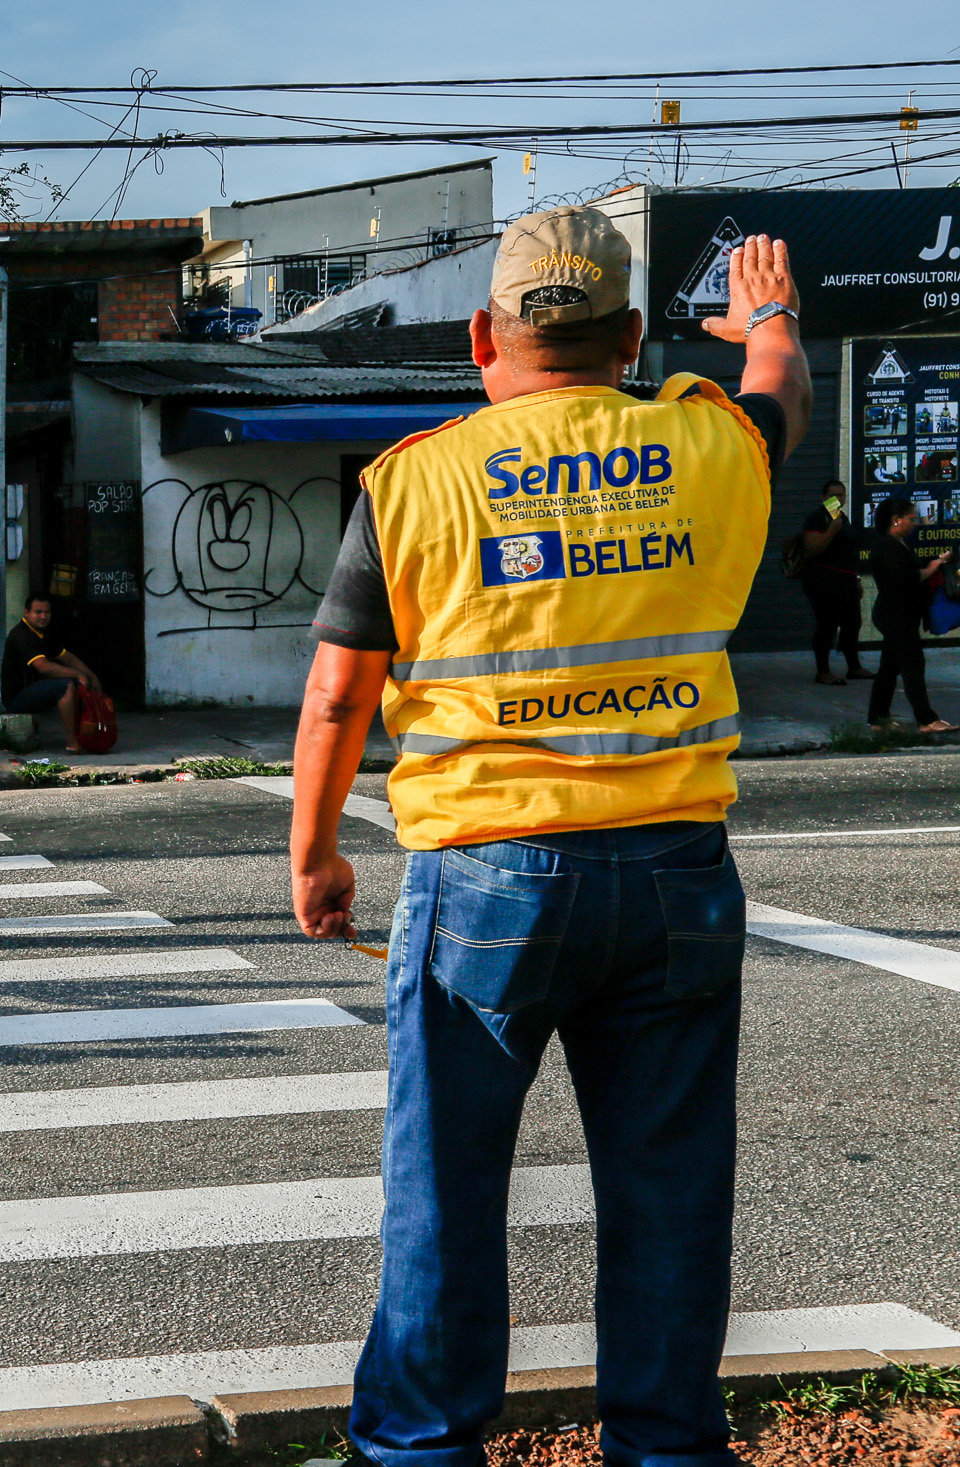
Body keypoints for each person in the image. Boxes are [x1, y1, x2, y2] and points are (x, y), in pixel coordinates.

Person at [292, 213, 813, 1467]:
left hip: (484, 879)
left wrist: (314, 853)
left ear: (485, 335)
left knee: (444, 1191)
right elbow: (776, 385)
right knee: (668, 1192)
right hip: (677, 876)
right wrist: (766, 313)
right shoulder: (706, 442)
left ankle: (420, 1448)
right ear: (632, 338)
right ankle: (666, 1448)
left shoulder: (416, 477)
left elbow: (335, 696)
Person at [864, 495, 956, 733]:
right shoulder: (887, 546)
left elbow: (910, 571)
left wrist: (934, 563)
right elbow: (905, 579)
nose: (915, 523)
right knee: (913, 665)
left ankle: (878, 719)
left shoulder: (896, 544)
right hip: (896, 615)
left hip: (900, 613)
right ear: (896, 520)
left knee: (889, 668)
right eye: (911, 518)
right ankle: (926, 720)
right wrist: (932, 568)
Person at [0, 594, 102, 754]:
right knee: (66, 685)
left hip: (35, 689)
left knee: (80, 684)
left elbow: (67, 657)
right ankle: (71, 742)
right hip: (16, 698)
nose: (43, 616)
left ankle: (89, 734)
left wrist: (90, 676)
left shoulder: (44, 632)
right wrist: (76, 674)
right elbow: (44, 667)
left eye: (47, 612)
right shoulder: (22, 635)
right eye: (38, 612)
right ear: (26, 612)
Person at [799, 478, 869, 685]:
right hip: (823, 581)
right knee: (827, 625)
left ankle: (854, 667)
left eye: (841, 495)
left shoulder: (842, 518)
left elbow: (847, 553)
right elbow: (811, 549)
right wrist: (831, 530)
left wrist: (855, 579)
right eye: (833, 495)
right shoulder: (818, 518)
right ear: (824, 498)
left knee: (852, 623)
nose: (838, 499)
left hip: (846, 580)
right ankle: (823, 671)